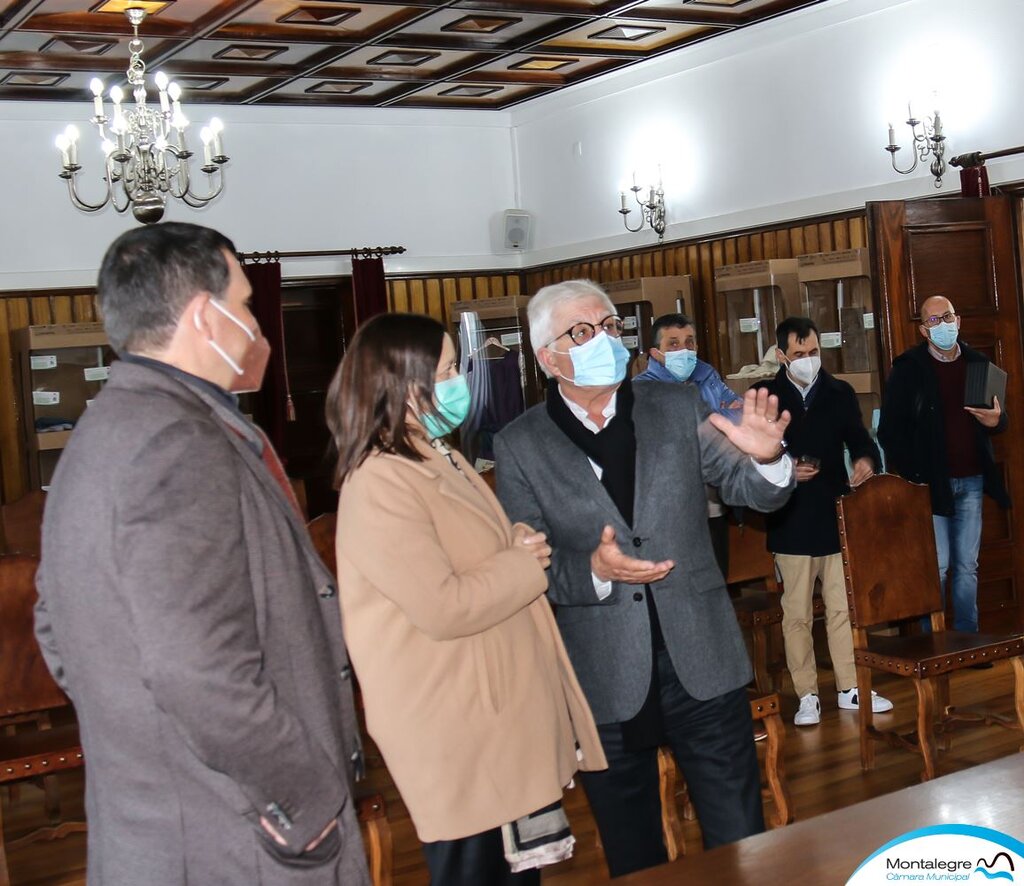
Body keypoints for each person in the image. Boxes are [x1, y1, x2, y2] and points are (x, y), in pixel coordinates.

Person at [33, 223, 369, 884]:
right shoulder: (177, 441)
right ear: (203, 317)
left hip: (157, 822)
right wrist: (304, 795)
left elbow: (57, 627)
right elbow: (198, 669)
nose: (252, 321)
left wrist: (137, 730)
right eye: (244, 305)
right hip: (234, 835)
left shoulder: (103, 429)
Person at [494, 279, 795, 879]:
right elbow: (526, 567)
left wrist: (766, 458)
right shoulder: (519, 444)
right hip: (604, 671)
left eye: (609, 327)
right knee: (633, 857)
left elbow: (746, 489)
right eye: (582, 332)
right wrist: (593, 572)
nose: (603, 340)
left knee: (740, 841)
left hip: (700, 655)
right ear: (547, 356)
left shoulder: (677, 406)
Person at [328, 312, 606, 886]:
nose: (461, 382)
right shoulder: (379, 480)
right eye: (449, 369)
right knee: (475, 873)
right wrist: (521, 564)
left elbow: (471, 551)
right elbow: (441, 605)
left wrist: (514, 544)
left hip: (493, 709)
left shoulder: (438, 454)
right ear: (405, 384)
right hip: (453, 720)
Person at [753, 316, 892, 727]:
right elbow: (750, 460)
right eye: (798, 355)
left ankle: (849, 687)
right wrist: (784, 470)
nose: (808, 360)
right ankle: (807, 694)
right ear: (781, 356)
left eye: (813, 352)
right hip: (789, 518)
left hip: (835, 514)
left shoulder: (839, 392)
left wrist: (867, 460)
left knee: (842, 610)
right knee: (795, 613)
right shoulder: (765, 396)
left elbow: (861, 440)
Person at [878, 295, 1008, 637]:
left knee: (967, 566)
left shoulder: (978, 363)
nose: (942, 325)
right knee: (937, 565)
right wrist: (914, 475)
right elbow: (889, 432)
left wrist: (996, 420)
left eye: (946, 317)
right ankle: (930, 640)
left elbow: (998, 417)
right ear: (923, 330)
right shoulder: (909, 369)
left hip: (972, 480)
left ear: (958, 320)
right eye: (933, 321)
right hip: (929, 484)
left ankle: (967, 638)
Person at [635, 312, 742, 576]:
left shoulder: (707, 376)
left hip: (713, 504)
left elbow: (739, 415)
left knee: (717, 581)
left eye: (690, 342)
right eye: (673, 344)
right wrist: (713, 418)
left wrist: (705, 423)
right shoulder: (640, 391)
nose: (684, 350)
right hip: (668, 512)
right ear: (655, 353)